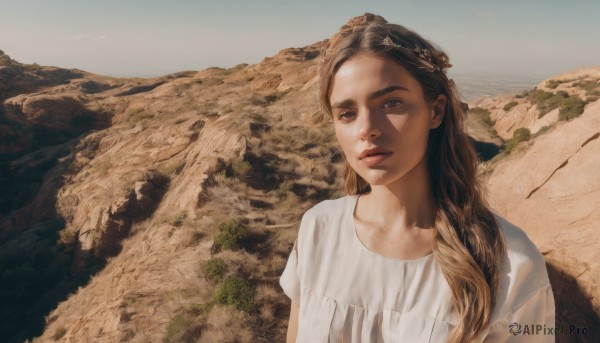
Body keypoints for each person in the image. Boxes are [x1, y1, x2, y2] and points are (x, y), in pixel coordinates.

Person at [279, 14, 555, 343]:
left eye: (391, 103)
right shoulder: (318, 229)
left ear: (435, 111)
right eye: (347, 113)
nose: (367, 128)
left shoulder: (511, 262)